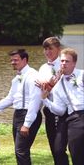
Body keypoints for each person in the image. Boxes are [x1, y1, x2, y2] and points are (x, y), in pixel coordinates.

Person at [0, 49, 42, 165]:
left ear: (25, 60)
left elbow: (35, 101)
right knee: (20, 150)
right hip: (17, 115)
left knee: (21, 150)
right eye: (11, 60)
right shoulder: (16, 79)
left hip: (28, 115)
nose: (12, 62)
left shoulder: (33, 76)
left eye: (16, 60)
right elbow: (11, 99)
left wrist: (27, 124)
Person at [41, 48, 84, 165]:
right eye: (62, 61)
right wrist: (45, 100)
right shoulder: (58, 85)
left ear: (74, 63)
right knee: (62, 150)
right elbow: (60, 111)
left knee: (77, 151)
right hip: (72, 117)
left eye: (67, 61)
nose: (64, 63)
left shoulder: (82, 75)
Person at [37, 37, 68, 165]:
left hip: (64, 111)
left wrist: (49, 83)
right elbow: (42, 86)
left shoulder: (64, 65)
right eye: (45, 49)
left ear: (58, 49)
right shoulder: (43, 67)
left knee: (60, 148)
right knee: (54, 147)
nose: (47, 52)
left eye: (50, 49)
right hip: (49, 110)